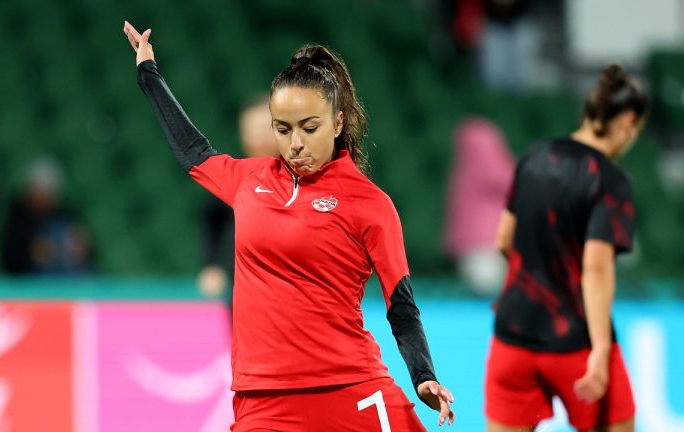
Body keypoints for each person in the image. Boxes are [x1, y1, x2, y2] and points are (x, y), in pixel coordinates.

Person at [123, 21, 454, 431]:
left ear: (337, 123)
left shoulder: (370, 203)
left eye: (309, 128)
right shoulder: (249, 180)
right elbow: (193, 152)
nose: (295, 144)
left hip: (351, 390)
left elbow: (400, 304)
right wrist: (149, 74)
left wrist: (424, 377)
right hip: (262, 399)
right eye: (283, 129)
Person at [485, 65, 647, 432]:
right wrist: (602, 351)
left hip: (512, 338)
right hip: (575, 342)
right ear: (627, 121)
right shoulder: (610, 179)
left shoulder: (534, 157)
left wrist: (537, 282)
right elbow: (596, 268)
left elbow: (503, 240)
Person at [198, 95, 278, 307]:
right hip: (242, 283)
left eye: (266, 127)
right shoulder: (232, 175)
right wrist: (212, 265)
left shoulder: (301, 173)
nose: (260, 136)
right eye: (253, 129)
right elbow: (211, 222)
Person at [444, 116, 514, 296]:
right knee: (489, 289)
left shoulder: (462, 174)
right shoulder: (486, 170)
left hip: (477, 249)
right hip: (484, 248)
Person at [0, 157, 94, 275]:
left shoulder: (67, 215)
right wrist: (31, 253)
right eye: (39, 190)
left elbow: (90, 252)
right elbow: (8, 259)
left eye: (48, 192)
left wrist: (82, 249)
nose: (43, 198)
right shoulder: (16, 219)